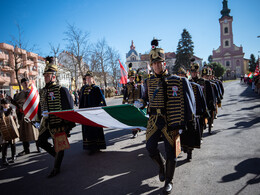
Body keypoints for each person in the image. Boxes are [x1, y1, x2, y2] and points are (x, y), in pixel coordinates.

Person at [140, 39, 195, 194]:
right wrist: (141, 101)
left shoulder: (176, 81)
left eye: (160, 63)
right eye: (154, 63)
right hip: (154, 119)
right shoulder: (148, 81)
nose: (157, 66)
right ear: (151, 65)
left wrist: (185, 122)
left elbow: (185, 101)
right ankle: (161, 166)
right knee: (150, 147)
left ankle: (169, 181)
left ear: (165, 63)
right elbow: (145, 98)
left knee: (171, 152)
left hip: (170, 121)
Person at [37, 56, 75, 178]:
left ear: (53, 76)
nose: (45, 77)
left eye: (47, 75)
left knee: (59, 147)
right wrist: (38, 120)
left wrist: (68, 126)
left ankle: (56, 167)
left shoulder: (61, 89)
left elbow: (69, 108)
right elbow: (40, 106)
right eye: (44, 75)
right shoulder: (42, 91)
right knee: (40, 142)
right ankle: (57, 155)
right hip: (46, 124)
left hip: (59, 123)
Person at [79, 71, 107, 155]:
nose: (88, 79)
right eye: (87, 78)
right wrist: (80, 110)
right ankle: (89, 146)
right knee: (87, 129)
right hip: (86, 112)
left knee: (95, 129)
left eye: (89, 78)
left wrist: (100, 109)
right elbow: (81, 100)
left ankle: (96, 146)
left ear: (92, 78)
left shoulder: (96, 88)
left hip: (94, 112)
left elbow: (102, 100)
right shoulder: (83, 88)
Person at [11, 78, 40, 155]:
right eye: (24, 82)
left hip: (32, 115)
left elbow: (37, 103)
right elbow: (17, 104)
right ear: (21, 84)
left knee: (35, 131)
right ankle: (26, 149)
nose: (25, 83)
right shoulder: (18, 95)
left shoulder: (32, 92)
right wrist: (11, 101)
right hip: (24, 116)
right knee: (24, 133)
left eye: (27, 82)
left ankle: (38, 147)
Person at [122, 63, 143, 138]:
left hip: (137, 103)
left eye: (133, 78)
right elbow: (125, 94)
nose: (132, 79)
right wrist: (124, 102)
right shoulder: (127, 86)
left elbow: (141, 93)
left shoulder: (137, 84)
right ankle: (134, 132)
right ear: (129, 78)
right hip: (130, 103)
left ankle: (138, 128)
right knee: (132, 118)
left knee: (138, 117)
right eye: (130, 77)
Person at [0, 99, 19, 166]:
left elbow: (15, 117)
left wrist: (16, 126)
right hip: (4, 128)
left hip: (11, 128)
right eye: (4, 104)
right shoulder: (1, 111)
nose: (5, 105)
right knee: (5, 144)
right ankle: (4, 158)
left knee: (12, 143)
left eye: (6, 103)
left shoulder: (12, 109)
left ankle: (14, 155)